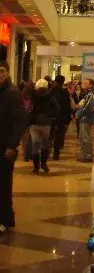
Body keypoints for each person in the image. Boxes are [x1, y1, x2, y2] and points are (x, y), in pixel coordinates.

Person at [0, 61, 28, 233]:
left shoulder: (12, 92)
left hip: (5, 146)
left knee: (3, 184)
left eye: (2, 71)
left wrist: (12, 145)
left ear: (8, 73)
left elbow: (21, 121)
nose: (0, 74)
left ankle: (4, 219)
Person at [29, 78, 59, 173]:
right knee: (45, 145)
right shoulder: (50, 96)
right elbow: (57, 109)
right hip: (46, 123)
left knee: (35, 144)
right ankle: (44, 164)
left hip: (34, 123)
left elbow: (28, 108)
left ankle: (36, 167)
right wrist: (50, 115)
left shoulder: (33, 96)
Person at [50, 75, 72, 160]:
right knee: (59, 136)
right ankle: (56, 153)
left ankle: (47, 152)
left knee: (50, 135)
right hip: (61, 117)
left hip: (51, 116)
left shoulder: (51, 91)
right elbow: (67, 106)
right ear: (63, 82)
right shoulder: (65, 92)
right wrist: (68, 119)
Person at [76, 79, 94, 162]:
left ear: (91, 85)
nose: (84, 84)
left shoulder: (91, 94)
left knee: (85, 137)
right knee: (82, 137)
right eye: (83, 83)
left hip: (86, 118)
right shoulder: (88, 93)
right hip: (84, 118)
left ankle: (88, 156)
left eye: (86, 83)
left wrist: (79, 113)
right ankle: (84, 154)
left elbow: (88, 106)